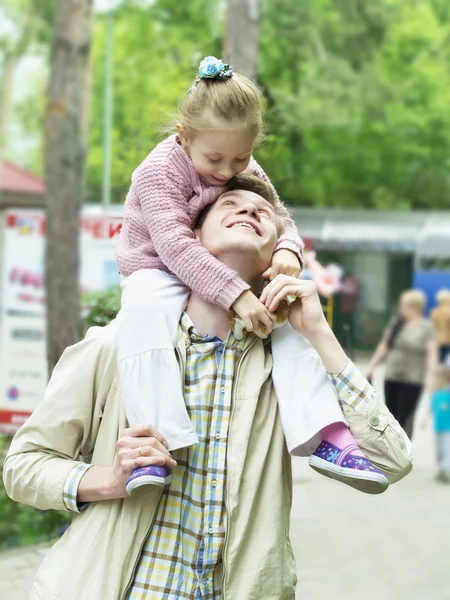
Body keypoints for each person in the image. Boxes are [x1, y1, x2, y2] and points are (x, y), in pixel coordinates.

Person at [3, 177, 412, 600]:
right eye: (230, 204)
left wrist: (319, 334)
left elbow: (393, 461)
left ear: (278, 257)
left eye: (263, 214)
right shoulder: (117, 347)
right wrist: (109, 480)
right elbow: (24, 466)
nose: (250, 212)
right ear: (191, 238)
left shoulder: (290, 370)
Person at [115, 55, 371, 493]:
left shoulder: (241, 164)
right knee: (143, 319)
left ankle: (326, 433)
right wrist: (237, 296)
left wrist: (289, 249)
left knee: (285, 312)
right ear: (183, 136)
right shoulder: (158, 172)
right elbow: (176, 245)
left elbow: (280, 215)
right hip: (158, 266)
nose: (228, 171)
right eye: (214, 158)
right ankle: (157, 441)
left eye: (241, 157)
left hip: (220, 266)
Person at [367, 289, 438, 439]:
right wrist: (372, 366)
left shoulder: (426, 327)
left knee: (404, 417)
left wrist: (433, 377)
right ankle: (390, 451)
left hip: (412, 379)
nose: (401, 308)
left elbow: (432, 354)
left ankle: (404, 450)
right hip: (392, 375)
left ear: (414, 307)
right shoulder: (397, 323)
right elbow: (384, 346)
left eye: (403, 305)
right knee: (391, 416)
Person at [425, 365, 450, 483]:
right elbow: (431, 408)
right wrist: (425, 420)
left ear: (445, 379)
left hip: (447, 428)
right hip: (438, 427)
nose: (435, 381)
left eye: (437, 379)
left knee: (446, 448)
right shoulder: (436, 394)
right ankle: (441, 468)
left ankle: (445, 469)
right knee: (438, 449)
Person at [430, 289, 450, 364]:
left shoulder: (434, 312)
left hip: (437, 340)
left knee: (439, 362)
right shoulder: (448, 311)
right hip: (448, 340)